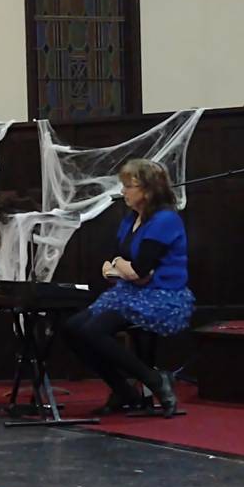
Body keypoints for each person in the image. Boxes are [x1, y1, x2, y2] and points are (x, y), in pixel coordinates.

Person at [62, 159, 194, 418]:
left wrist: (122, 267)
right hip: (131, 292)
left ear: (147, 190)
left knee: (93, 330)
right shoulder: (132, 218)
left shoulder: (165, 219)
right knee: (72, 328)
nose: (123, 191)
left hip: (163, 296)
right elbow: (119, 263)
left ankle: (154, 380)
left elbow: (139, 271)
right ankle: (123, 390)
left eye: (128, 185)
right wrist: (123, 267)